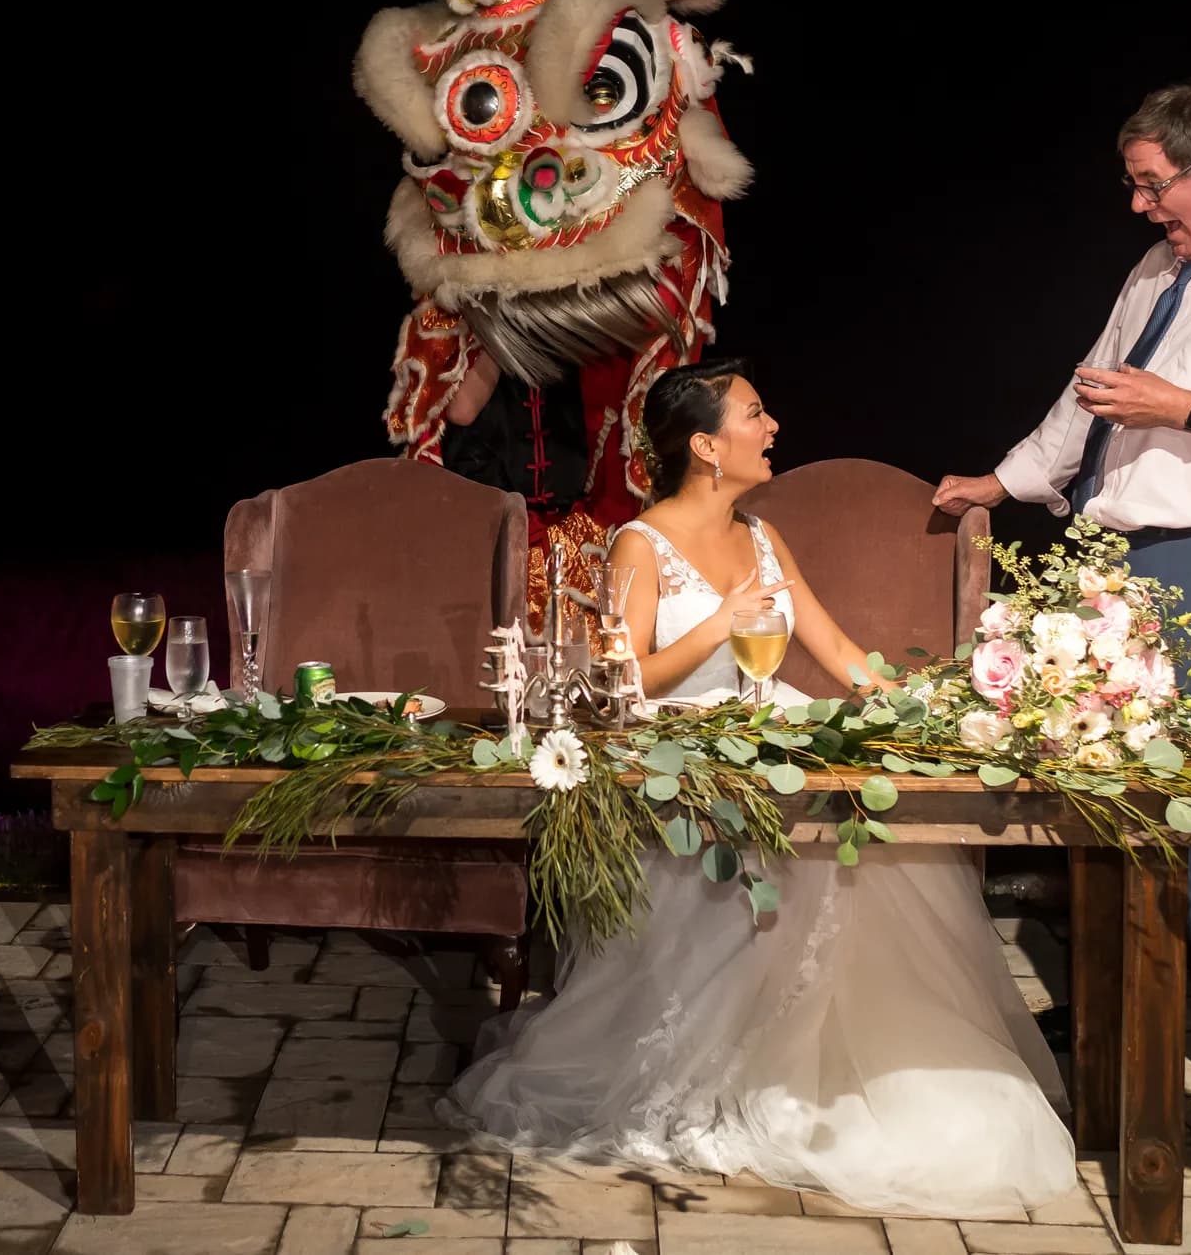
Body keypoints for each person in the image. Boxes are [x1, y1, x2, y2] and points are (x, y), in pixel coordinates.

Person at [443, 360, 1078, 1218]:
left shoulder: (765, 537)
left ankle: (839, 1062)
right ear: (706, 446)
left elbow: (839, 652)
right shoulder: (640, 544)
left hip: (767, 734)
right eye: (754, 412)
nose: (772, 425)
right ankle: (723, 1064)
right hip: (679, 757)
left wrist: (935, 706)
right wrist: (716, 624)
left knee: (856, 830)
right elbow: (623, 679)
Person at [935, 80, 1191, 1126]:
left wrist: (1188, 406)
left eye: (1151, 183)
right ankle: (1119, 999)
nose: (1138, 205)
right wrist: (1002, 481)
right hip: (1109, 561)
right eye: (1133, 186)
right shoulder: (1158, 271)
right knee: (1098, 794)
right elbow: (1084, 398)